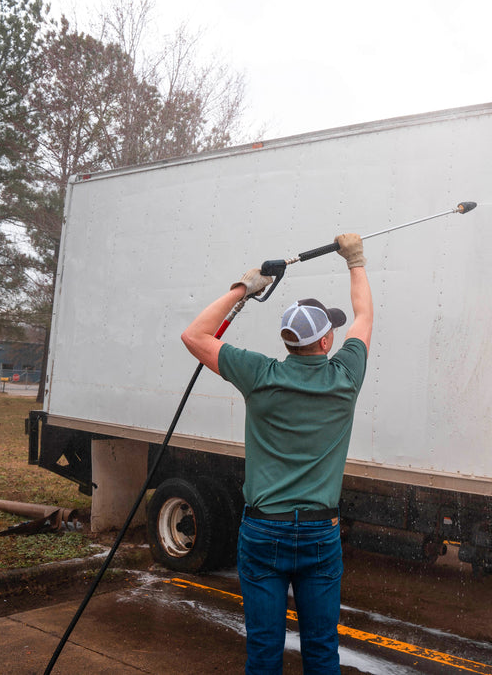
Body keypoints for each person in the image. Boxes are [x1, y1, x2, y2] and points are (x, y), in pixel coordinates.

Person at [181, 233, 372, 674]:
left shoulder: (259, 375)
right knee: (321, 650)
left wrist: (243, 288)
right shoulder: (345, 378)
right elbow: (364, 314)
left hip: (264, 530)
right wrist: (355, 260)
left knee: (264, 650)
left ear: (288, 342)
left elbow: (194, 335)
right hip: (320, 532)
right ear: (325, 343)